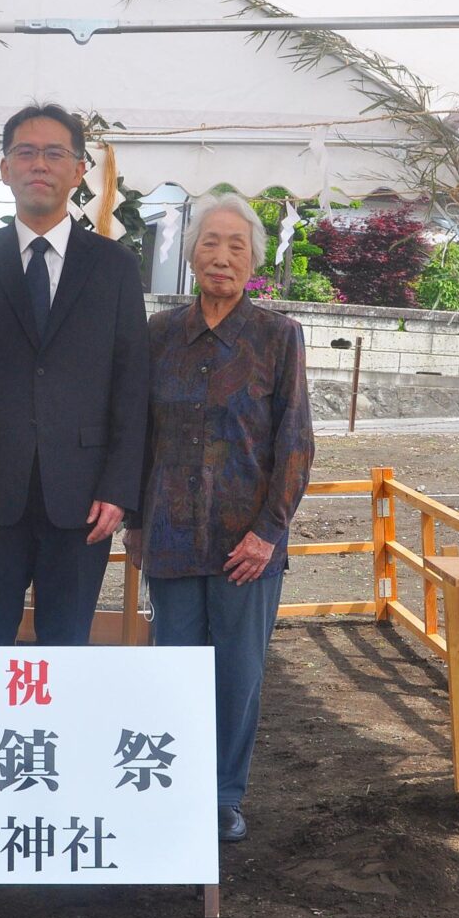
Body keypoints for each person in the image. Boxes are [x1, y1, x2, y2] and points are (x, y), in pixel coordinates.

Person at [124, 193, 314, 842]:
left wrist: (269, 532)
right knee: (174, 664)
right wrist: (134, 523)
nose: (223, 255)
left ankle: (223, 796)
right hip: (171, 536)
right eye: (211, 241)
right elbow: (138, 435)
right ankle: (169, 781)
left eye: (237, 244)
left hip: (247, 546)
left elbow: (295, 442)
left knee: (237, 673)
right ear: (190, 253)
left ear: (254, 259)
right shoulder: (159, 336)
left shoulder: (277, 336)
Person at [0, 103, 149, 646]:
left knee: (66, 644)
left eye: (55, 154)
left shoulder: (114, 268)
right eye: (25, 153)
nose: (39, 165)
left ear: (79, 171)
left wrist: (120, 489)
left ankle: (53, 736)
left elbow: (131, 384)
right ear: (5, 168)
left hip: (83, 499)